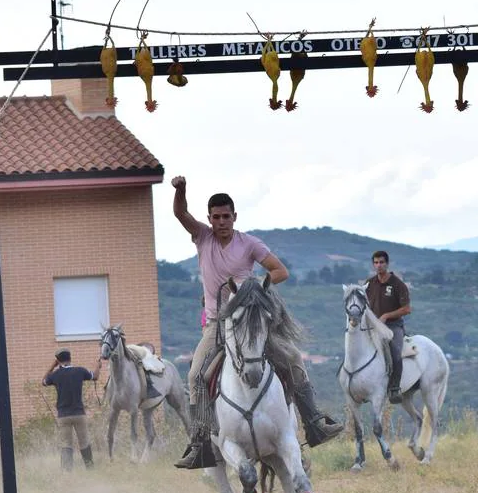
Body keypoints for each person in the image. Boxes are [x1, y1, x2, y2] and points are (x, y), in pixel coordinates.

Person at [170, 176, 343, 469]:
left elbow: (280, 271)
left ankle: (314, 422)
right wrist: (181, 190)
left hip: (250, 321)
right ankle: (200, 440)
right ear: (209, 219)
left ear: (234, 217)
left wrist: (253, 287)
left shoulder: (249, 243)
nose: (221, 221)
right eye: (216, 217)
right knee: (196, 375)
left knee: (292, 358)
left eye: (226, 216)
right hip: (216, 324)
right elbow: (180, 214)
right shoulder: (203, 237)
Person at [42, 349, 102, 470]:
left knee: (66, 444)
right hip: (79, 413)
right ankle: (90, 468)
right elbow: (95, 377)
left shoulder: (55, 375)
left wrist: (52, 366)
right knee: (84, 441)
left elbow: (44, 381)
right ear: (70, 358)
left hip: (63, 415)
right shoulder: (80, 371)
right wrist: (98, 366)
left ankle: (67, 471)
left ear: (58, 360)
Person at [365, 250, 412, 403]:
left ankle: (394, 388)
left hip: (393, 326)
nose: (379, 265)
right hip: (373, 326)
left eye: (381, 262)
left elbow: (406, 309)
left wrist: (386, 316)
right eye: (376, 263)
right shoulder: (370, 284)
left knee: (395, 354)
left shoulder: (398, 285)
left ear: (387, 264)